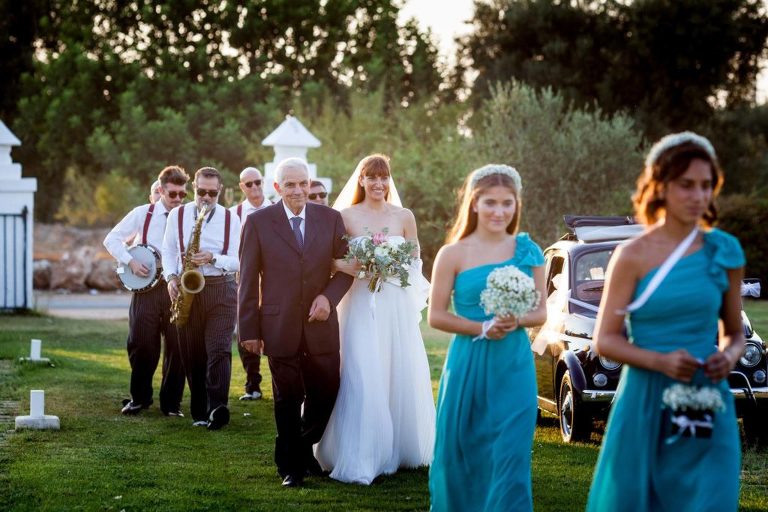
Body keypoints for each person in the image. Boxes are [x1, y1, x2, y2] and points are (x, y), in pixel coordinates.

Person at [587, 132, 745, 512]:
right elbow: (604, 340)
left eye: (706, 185)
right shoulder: (632, 255)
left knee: (710, 500)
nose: (698, 196)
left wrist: (729, 355)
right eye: (686, 184)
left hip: (707, 398)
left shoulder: (725, 251)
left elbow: (735, 331)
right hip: (646, 398)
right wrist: (660, 361)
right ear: (660, 186)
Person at [428, 164, 546, 512]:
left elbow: (541, 313)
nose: (499, 211)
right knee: (460, 457)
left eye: (507, 203)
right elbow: (436, 316)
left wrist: (515, 320)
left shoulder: (529, 251)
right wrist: (480, 327)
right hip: (468, 363)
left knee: (510, 459)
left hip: (513, 364)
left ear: (516, 205)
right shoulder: (452, 253)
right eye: (491, 203)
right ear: (474, 203)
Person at [315, 154, 435, 484]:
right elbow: (329, 259)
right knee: (360, 368)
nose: (379, 184)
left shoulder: (404, 216)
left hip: (393, 301)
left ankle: (399, 447)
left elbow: (415, 259)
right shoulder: (345, 215)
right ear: (362, 180)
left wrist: (392, 269)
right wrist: (354, 266)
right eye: (372, 177)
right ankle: (360, 452)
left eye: (384, 177)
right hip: (359, 301)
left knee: (395, 366)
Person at [238, 157, 353, 487]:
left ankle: (299, 448)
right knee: (288, 397)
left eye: (303, 183)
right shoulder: (258, 222)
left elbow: (346, 271)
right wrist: (248, 330)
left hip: (321, 326)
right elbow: (247, 279)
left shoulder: (331, 219)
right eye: (290, 184)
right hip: (278, 325)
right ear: (277, 188)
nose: (299, 190)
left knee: (327, 391)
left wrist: (328, 298)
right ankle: (291, 467)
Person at [103, 166, 188, 416]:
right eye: (173, 194)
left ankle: (171, 404)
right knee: (141, 344)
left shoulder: (190, 215)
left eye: (183, 194)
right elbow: (112, 239)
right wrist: (130, 261)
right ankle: (139, 398)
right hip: (146, 289)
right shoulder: (142, 213)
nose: (178, 200)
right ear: (160, 190)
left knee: (177, 347)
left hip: (178, 289)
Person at [162, 167, 241, 430]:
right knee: (192, 353)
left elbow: (238, 260)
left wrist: (213, 258)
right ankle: (199, 411)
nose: (206, 197)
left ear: (220, 191)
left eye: (212, 193)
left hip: (221, 288)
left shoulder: (232, 219)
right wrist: (171, 278)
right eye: (201, 192)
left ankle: (217, 407)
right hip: (188, 289)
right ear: (194, 188)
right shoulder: (178, 214)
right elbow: (169, 248)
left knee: (218, 350)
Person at [230, 166, 272, 401]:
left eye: (257, 182)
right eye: (249, 184)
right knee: (245, 328)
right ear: (241, 187)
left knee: (274, 327)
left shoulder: (278, 209)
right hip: (244, 277)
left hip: (272, 279)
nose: (254, 187)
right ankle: (252, 383)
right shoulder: (232, 214)